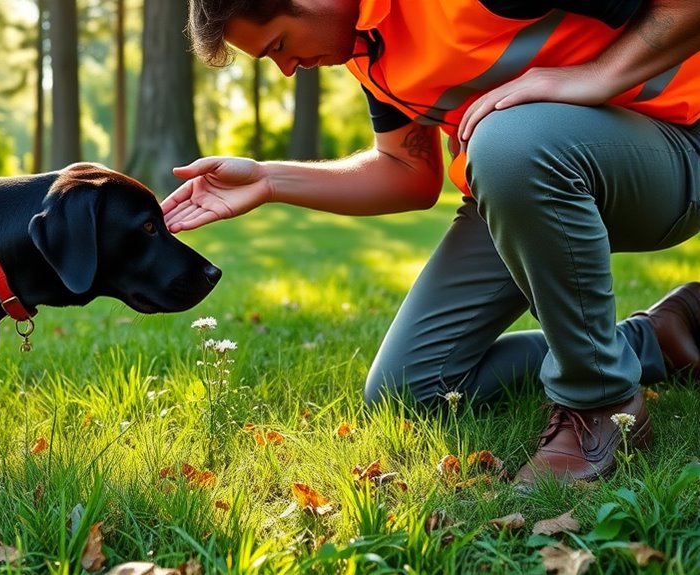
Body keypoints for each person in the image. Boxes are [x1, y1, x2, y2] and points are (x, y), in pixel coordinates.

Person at [162, 0, 700, 488]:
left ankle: (599, 400)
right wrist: (270, 179)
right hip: (525, 181)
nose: (285, 68)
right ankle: (656, 339)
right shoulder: (364, 47)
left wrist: (595, 77)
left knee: (508, 142)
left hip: (676, 147)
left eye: (278, 44)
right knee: (410, 391)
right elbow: (408, 172)